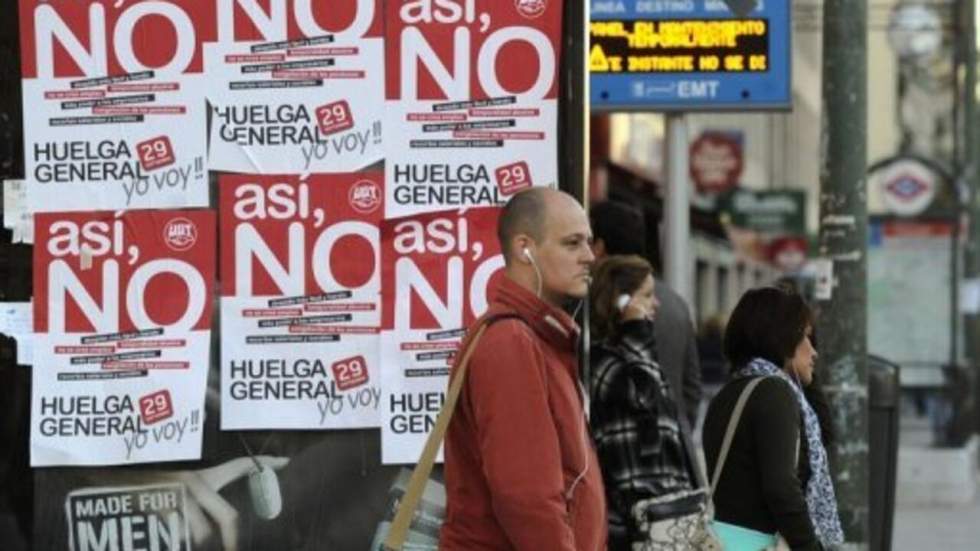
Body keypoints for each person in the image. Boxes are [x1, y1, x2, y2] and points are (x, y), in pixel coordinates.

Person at [440, 188, 607, 551]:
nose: (589, 257)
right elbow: (527, 497)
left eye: (588, 243)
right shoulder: (512, 342)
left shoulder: (535, 337)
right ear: (524, 248)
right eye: (572, 243)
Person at [701, 287, 844, 550]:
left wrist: (802, 375)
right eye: (806, 338)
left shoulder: (732, 392)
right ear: (783, 339)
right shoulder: (773, 393)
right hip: (762, 544)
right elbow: (781, 488)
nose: (814, 352)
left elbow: (823, 435)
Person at [588, 255, 702, 550]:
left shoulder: (638, 356)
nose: (656, 303)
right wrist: (637, 328)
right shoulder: (603, 362)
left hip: (667, 517)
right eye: (647, 295)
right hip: (632, 521)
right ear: (620, 300)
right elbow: (644, 395)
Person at [590, 200, 702, 428]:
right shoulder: (675, 303)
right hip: (675, 446)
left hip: (620, 451)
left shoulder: (592, 301)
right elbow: (691, 388)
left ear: (599, 247)